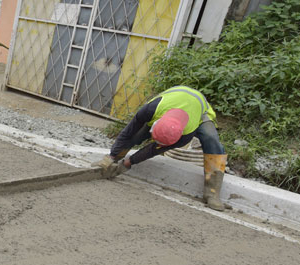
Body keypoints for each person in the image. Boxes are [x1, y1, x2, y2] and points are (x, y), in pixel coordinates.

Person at [97, 85, 228, 211]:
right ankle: (115, 157)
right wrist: (112, 156)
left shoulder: (186, 135)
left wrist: (129, 162)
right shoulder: (150, 110)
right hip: (172, 98)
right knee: (136, 136)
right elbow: (128, 132)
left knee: (211, 139)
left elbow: (154, 149)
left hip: (198, 109)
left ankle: (212, 193)